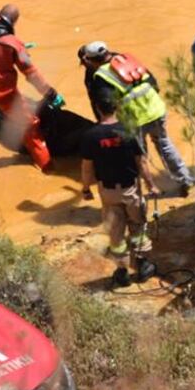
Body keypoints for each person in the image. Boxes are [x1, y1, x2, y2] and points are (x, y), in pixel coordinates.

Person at [77, 41, 191, 194]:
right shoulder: (127, 59)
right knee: (164, 144)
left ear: (90, 60)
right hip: (156, 110)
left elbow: (106, 104)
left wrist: (106, 126)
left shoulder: (100, 77)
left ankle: (142, 191)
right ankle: (185, 179)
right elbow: (153, 82)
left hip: (135, 119)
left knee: (138, 157)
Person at [0, 4, 63, 171]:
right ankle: (47, 167)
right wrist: (50, 93)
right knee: (29, 127)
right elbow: (31, 73)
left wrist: (16, 47)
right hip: (5, 94)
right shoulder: (13, 44)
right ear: (14, 22)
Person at [80, 89, 160, 288]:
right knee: (138, 226)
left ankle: (122, 273)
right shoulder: (128, 130)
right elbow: (141, 162)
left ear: (98, 109)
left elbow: (87, 167)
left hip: (107, 192)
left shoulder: (91, 136)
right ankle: (142, 266)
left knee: (116, 232)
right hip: (131, 190)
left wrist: (85, 189)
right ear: (116, 107)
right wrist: (152, 185)